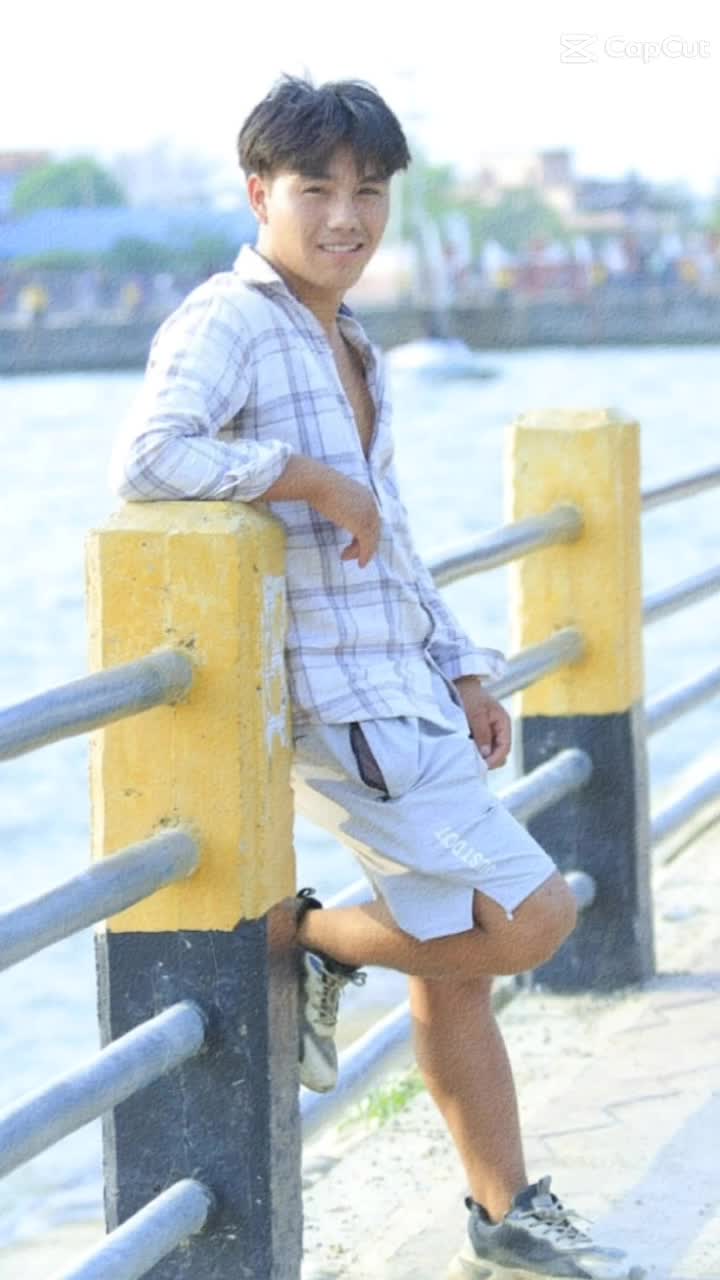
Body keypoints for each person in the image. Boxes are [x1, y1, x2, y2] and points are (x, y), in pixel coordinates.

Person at [109, 76, 643, 1280]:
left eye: (369, 190)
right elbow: (147, 458)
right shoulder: (230, 321)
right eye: (317, 189)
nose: (347, 216)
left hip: (403, 691)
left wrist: (461, 665)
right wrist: (306, 475)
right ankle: (310, 939)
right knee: (532, 916)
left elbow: (387, 530)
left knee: (458, 971)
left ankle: (505, 1211)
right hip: (348, 715)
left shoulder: (349, 336)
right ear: (259, 192)